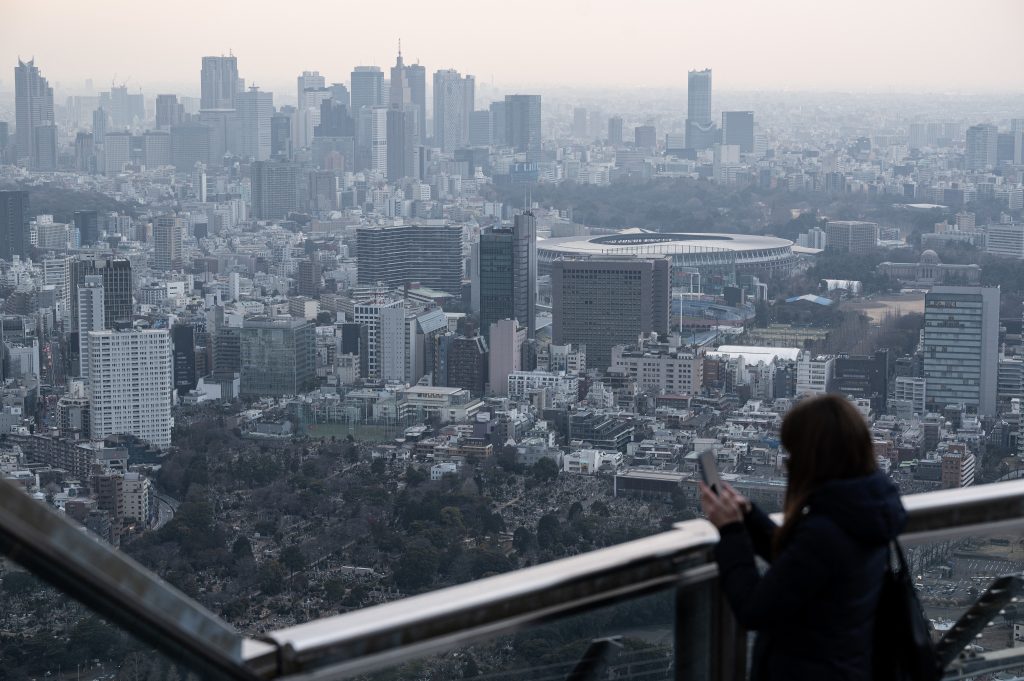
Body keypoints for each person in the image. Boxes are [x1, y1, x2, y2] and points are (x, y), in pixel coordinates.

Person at [700, 394, 907, 681]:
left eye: (792, 454)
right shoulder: (865, 510)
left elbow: (753, 609)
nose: (788, 464)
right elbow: (801, 572)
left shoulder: (826, 530)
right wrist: (749, 517)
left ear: (812, 458)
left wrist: (731, 532)